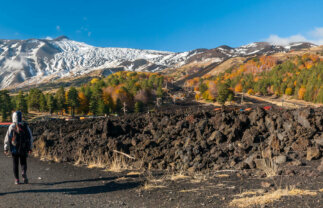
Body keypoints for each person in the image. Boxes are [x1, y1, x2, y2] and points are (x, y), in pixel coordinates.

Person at [4, 111, 33, 185]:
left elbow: (7, 138)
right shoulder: (25, 125)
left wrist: (6, 148)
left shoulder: (11, 126)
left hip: (14, 148)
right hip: (23, 148)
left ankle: (17, 179)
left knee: (15, 164)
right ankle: (23, 173)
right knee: (23, 162)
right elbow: (30, 137)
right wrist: (30, 147)